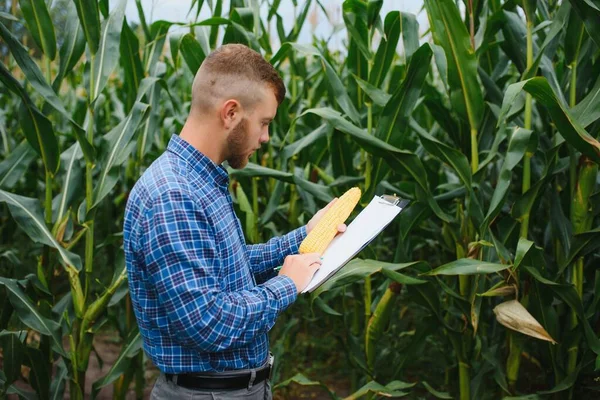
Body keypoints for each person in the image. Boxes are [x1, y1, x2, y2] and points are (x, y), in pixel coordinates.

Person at [123, 43, 345, 399]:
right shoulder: (173, 196)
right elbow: (208, 322)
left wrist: (305, 236)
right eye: (264, 123)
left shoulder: (200, 180)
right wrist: (286, 285)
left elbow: (229, 268)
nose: (266, 137)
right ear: (230, 113)